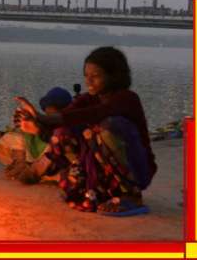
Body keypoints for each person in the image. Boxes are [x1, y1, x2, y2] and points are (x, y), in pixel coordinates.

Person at [14, 46, 156, 216]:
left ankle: (132, 196)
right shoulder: (88, 99)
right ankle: (96, 189)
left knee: (109, 126)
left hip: (137, 170)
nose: (88, 81)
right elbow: (65, 119)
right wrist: (36, 126)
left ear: (114, 77)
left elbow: (96, 113)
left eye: (95, 76)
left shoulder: (127, 99)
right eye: (86, 76)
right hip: (104, 171)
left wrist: (42, 117)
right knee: (64, 132)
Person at [0, 87, 73, 184]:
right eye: (47, 109)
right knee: (17, 137)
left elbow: (52, 140)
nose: (48, 112)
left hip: (51, 158)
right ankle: (21, 163)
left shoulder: (65, 127)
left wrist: (36, 128)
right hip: (35, 155)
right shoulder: (44, 122)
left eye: (53, 110)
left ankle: (24, 166)